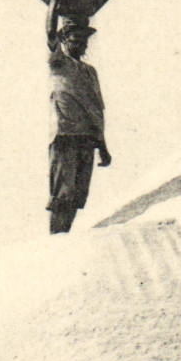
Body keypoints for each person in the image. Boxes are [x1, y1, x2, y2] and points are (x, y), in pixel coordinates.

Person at [46, 14, 110, 233]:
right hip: (65, 135)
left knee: (77, 196)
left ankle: (64, 236)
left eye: (83, 41)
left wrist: (103, 146)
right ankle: (55, 241)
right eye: (75, 40)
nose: (81, 45)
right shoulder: (59, 63)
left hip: (88, 138)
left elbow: (97, 109)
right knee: (62, 194)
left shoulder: (90, 72)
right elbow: (49, 33)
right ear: (64, 40)